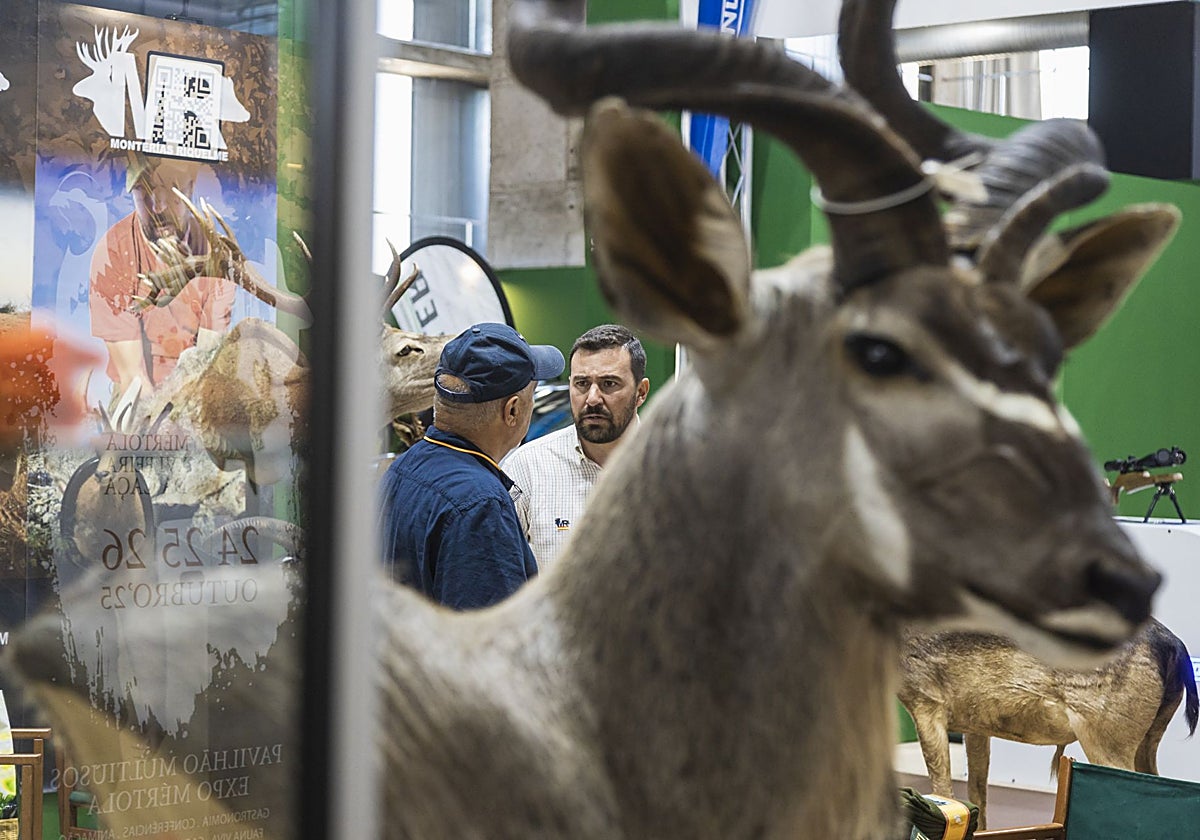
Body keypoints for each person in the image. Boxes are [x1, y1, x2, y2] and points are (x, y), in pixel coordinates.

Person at [378, 322, 565, 610]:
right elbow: (492, 642)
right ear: (513, 410)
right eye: (533, 392)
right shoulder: (480, 505)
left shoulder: (400, 469)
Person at [88, 152, 235, 401]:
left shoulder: (217, 255)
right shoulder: (113, 251)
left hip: (193, 395)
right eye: (145, 191)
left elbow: (206, 364)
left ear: (190, 186)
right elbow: (133, 379)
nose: (158, 206)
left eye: (171, 187)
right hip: (135, 397)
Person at [501, 324, 649, 570]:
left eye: (609, 384)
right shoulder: (527, 468)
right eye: (581, 384)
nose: (592, 399)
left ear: (640, 392)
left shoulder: (680, 470)